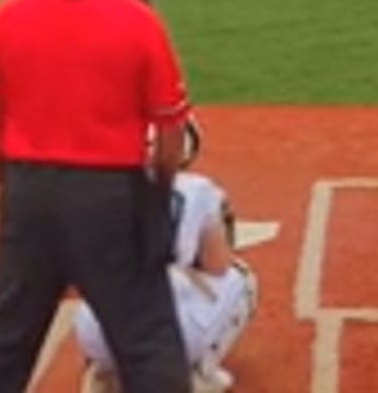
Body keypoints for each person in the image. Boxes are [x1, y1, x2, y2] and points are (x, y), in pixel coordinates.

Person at [0, 0, 195, 393]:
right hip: (110, 195)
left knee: (1, 335)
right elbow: (171, 133)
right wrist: (156, 188)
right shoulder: (139, 23)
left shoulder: (5, 16)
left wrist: (9, 182)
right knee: (145, 334)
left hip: (29, 189)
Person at [75, 120, 258, 393]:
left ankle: (104, 370)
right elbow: (217, 265)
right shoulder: (199, 189)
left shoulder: (94, 187)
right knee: (241, 277)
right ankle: (197, 372)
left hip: (95, 329)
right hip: (170, 335)